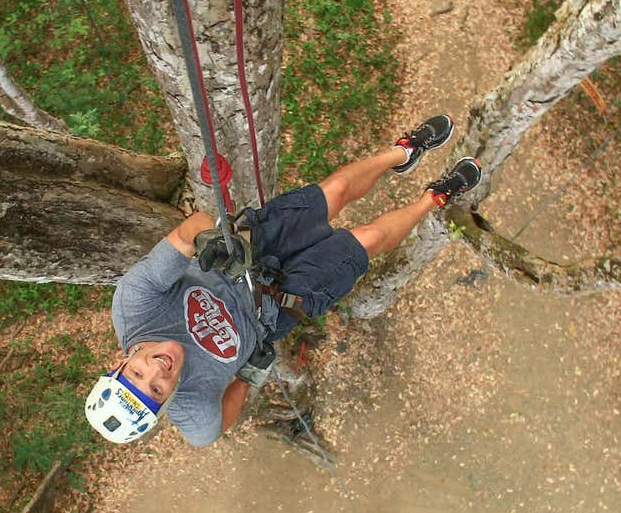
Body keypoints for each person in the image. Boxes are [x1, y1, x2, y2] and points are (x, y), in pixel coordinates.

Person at [85, 114, 481, 446]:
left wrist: (210, 241)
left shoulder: (134, 304)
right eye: (156, 390)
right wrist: (248, 377)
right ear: (167, 402)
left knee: (336, 191)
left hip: (245, 250)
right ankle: (435, 197)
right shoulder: (193, 413)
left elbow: (192, 228)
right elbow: (219, 426)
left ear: (119, 362)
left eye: (137, 374)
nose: (158, 370)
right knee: (368, 240)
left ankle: (404, 152)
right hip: (273, 306)